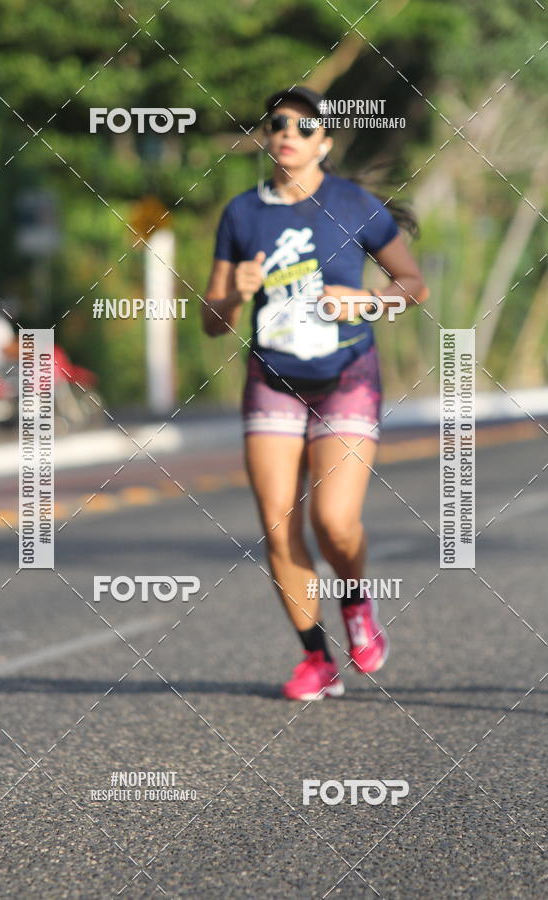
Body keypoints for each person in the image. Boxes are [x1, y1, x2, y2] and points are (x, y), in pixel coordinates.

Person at [202, 86, 428, 700]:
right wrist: (234, 293)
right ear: (266, 135)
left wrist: (370, 301)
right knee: (279, 530)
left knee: (335, 521)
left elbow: (413, 285)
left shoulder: (353, 204)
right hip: (272, 380)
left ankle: (356, 604)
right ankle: (315, 659)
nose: (288, 134)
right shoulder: (241, 214)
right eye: (278, 123)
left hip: (346, 375)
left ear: (324, 143)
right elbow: (212, 322)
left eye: (304, 128)